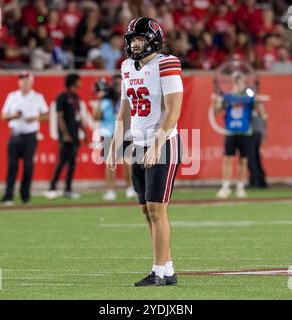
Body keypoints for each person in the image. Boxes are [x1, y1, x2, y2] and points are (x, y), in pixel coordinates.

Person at [107, 17, 182, 286]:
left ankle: (159, 271)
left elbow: (173, 111)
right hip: (138, 145)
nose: (135, 44)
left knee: (157, 209)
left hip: (162, 144)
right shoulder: (127, 66)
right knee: (145, 210)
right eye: (132, 40)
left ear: (153, 39)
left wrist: (157, 145)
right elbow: (124, 109)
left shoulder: (167, 64)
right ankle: (168, 268)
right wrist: (114, 144)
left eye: (139, 39)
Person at [212, 72, 266, 198]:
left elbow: (260, 113)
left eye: (240, 81)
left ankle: (240, 187)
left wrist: (258, 103)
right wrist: (216, 102)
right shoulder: (227, 97)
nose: (238, 83)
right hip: (231, 132)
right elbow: (216, 111)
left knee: (243, 160)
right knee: (227, 160)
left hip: (245, 133)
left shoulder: (249, 98)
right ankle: (225, 187)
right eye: (236, 81)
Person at [0, 71, 49, 205]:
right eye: (21, 80)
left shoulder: (37, 97)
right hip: (15, 134)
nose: (24, 83)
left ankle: (25, 196)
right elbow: (3, 116)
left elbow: (47, 115)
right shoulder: (12, 96)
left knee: (28, 166)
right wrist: (13, 116)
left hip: (30, 135)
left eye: (26, 80)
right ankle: (8, 195)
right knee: (12, 166)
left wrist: (35, 118)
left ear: (31, 82)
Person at [93, 76, 136, 201]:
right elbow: (96, 117)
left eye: (120, 84)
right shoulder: (105, 100)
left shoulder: (126, 99)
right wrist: (99, 100)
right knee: (110, 164)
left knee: (127, 162)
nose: (118, 87)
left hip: (123, 132)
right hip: (107, 133)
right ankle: (111, 190)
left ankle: (129, 188)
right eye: (116, 84)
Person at [44, 73, 84, 200]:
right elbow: (59, 117)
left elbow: (78, 117)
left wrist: (84, 133)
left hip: (75, 135)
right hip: (67, 136)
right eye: (78, 81)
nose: (80, 83)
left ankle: (68, 189)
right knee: (62, 162)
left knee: (72, 163)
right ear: (73, 82)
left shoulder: (76, 97)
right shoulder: (62, 97)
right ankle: (52, 187)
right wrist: (65, 134)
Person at [248, 101, 268, 188]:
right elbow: (264, 128)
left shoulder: (255, 114)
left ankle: (257, 180)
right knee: (254, 159)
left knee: (252, 159)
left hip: (253, 136)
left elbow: (262, 128)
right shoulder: (260, 115)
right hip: (256, 136)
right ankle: (258, 180)